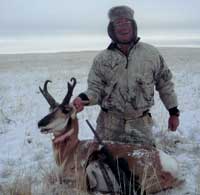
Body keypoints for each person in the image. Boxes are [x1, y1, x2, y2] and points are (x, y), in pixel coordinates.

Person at [73, 5, 180, 146]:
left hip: (140, 124)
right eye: (118, 23)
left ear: (133, 26)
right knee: (104, 164)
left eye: (126, 22)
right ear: (112, 29)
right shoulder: (102, 59)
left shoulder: (151, 54)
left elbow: (165, 84)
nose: (123, 26)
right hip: (108, 125)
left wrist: (173, 113)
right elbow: (95, 89)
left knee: (144, 165)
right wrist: (83, 99)